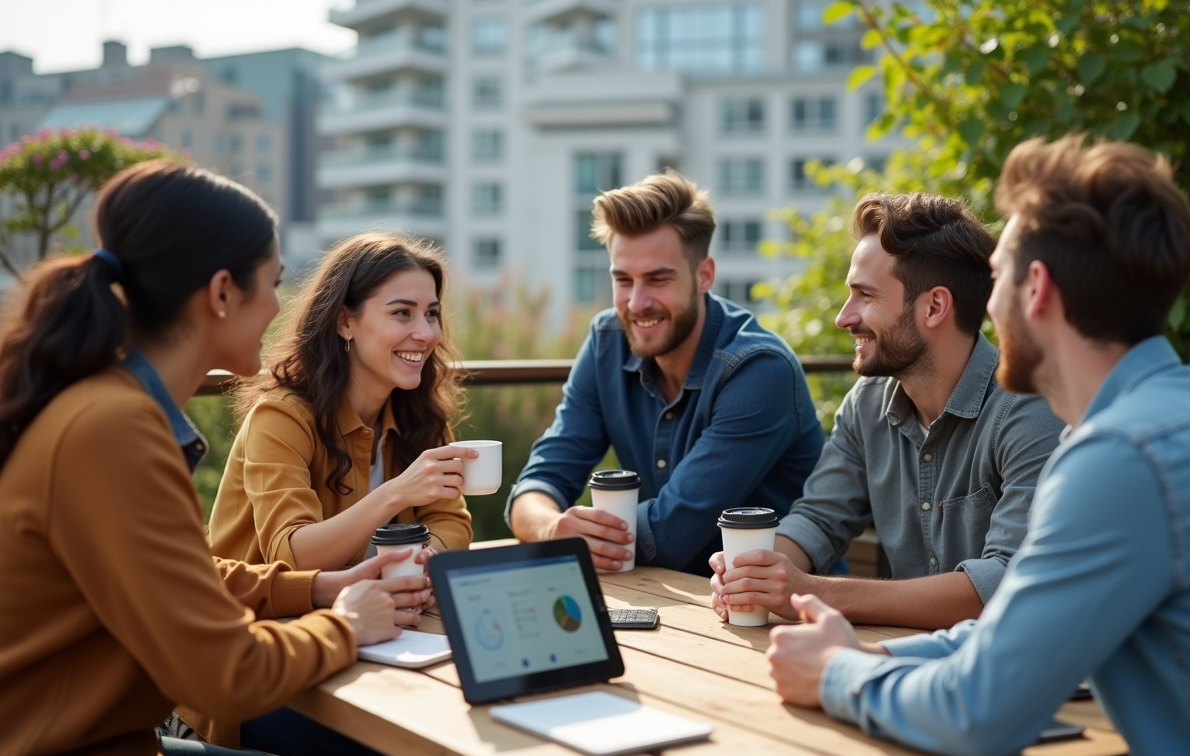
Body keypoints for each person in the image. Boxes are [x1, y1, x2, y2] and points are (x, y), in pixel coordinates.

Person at [766, 136, 1190, 756]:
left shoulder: (1117, 461)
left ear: (1037, 291)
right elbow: (1012, 630)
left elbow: (982, 713)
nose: (986, 307)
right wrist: (870, 656)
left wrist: (835, 675)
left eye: (997, 279)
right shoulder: (1172, 415)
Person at [0, 161, 447, 756]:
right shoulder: (112, 428)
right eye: (270, 283)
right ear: (219, 293)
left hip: (114, 747)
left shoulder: (114, 409)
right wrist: (345, 624)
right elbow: (225, 676)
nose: (278, 304)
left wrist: (322, 589)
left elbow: (187, 574)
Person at [710, 193, 1064, 630]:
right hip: (901, 660)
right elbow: (818, 519)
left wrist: (812, 590)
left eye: (865, 295)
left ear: (934, 306)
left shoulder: (1029, 407)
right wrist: (755, 574)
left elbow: (1006, 582)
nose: (843, 317)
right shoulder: (867, 403)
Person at [506, 171, 826, 576]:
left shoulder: (758, 369)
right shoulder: (607, 340)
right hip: (657, 598)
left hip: (773, 614)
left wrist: (576, 533)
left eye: (658, 279)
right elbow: (539, 483)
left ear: (704, 275)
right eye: (623, 280)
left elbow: (671, 535)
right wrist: (551, 526)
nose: (637, 303)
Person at [207, 232, 474, 573]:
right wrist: (396, 493)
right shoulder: (280, 416)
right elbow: (292, 555)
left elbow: (452, 522)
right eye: (403, 313)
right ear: (345, 322)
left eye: (431, 314)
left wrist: (420, 564)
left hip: (374, 611)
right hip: (262, 620)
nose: (426, 333)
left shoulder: (419, 415)